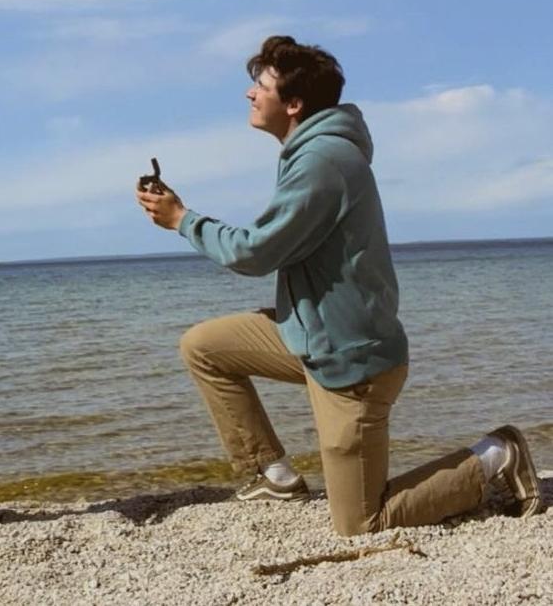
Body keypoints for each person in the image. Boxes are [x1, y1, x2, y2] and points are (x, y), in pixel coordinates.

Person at [135, 35, 545, 536]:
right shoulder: (310, 154)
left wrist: (183, 220)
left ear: (293, 104)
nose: (249, 94)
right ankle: (272, 475)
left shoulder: (322, 162)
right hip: (311, 336)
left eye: (260, 85)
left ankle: (494, 456)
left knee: (360, 522)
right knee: (204, 347)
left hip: (352, 363)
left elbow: (254, 252)